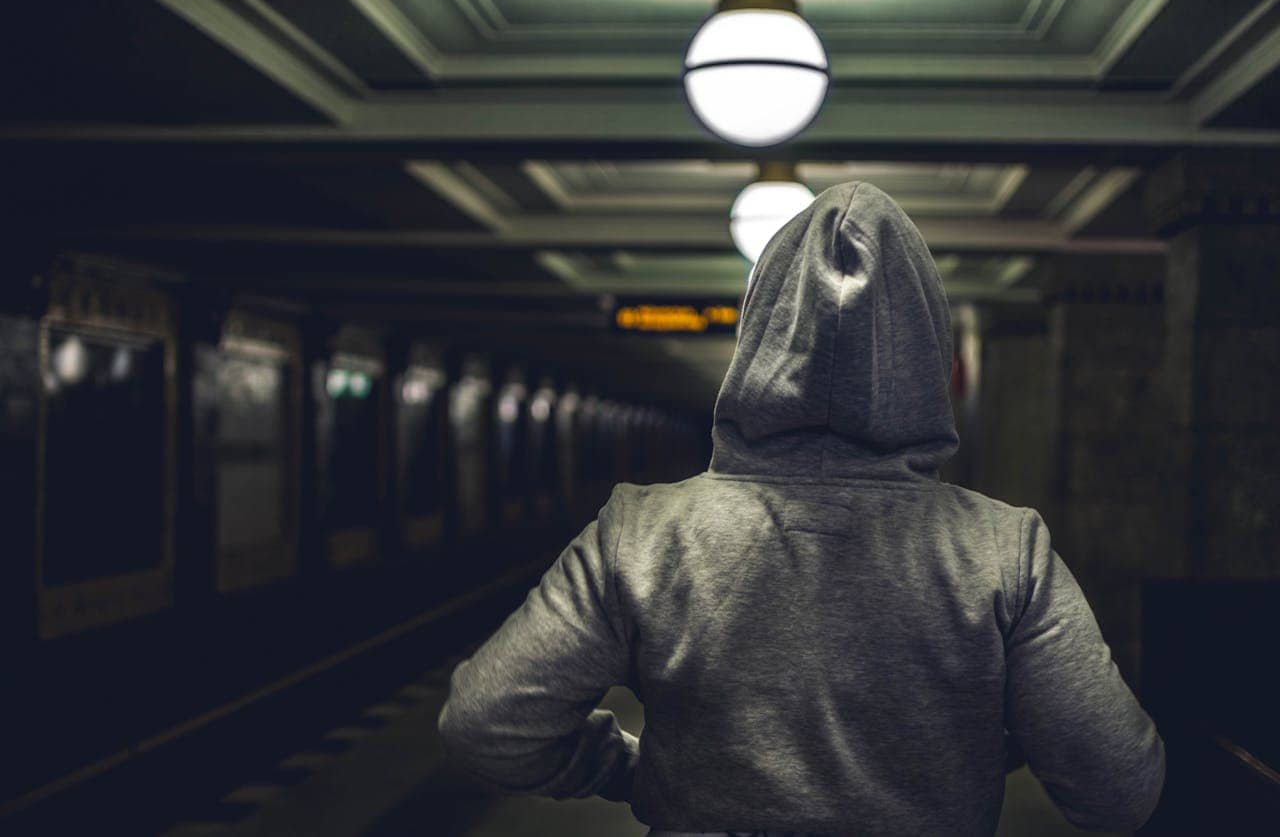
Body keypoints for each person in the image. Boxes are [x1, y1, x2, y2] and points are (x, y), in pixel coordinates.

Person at [437, 182, 1166, 835]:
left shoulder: (642, 532)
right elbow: (1120, 788)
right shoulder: (1006, 551)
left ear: (756, 338)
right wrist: (983, 740)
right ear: (927, 352)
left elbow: (486, 724)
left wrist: (633, 769)